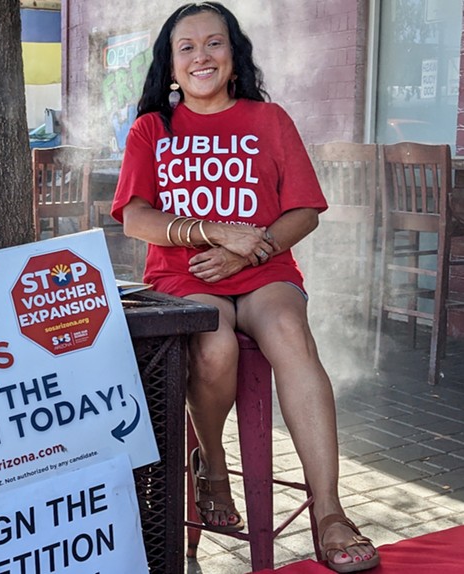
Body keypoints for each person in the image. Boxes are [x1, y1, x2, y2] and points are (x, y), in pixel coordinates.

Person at [110, 3, 380, 573]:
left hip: (264, 272)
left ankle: (329, 511)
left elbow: (305, 210)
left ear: (234, 57)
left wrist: (247, 252)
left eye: (214, 43)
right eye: (186, 47)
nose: (201, 56)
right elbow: (134, 217)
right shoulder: (152, 128)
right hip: (186, 275)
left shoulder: (269, 119)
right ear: (171, 64)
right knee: (214, 343)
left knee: (290, 331)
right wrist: (214, 233)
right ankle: (213, 462)